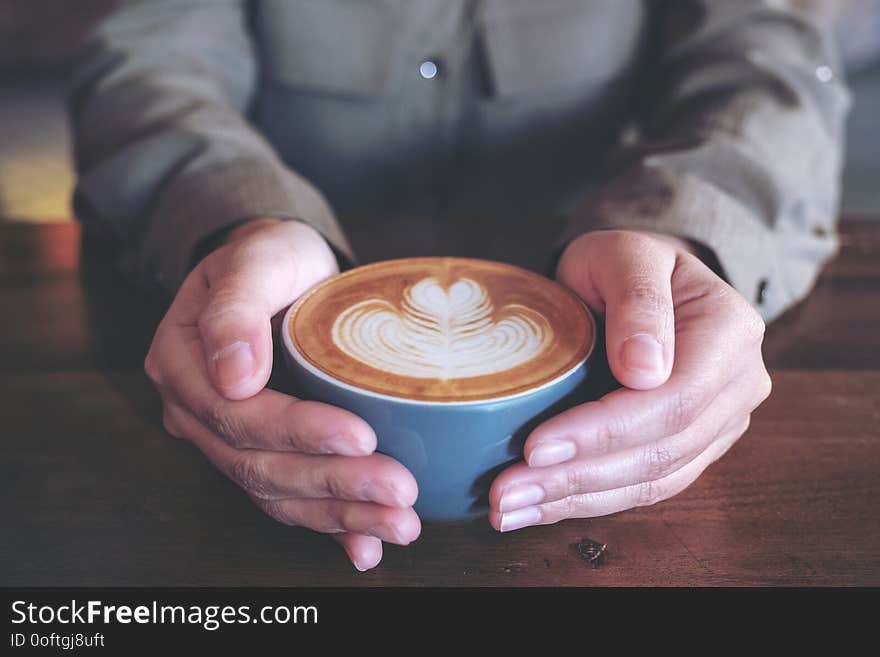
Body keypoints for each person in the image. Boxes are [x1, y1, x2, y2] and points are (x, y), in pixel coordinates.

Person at [68, 0, 849, 571]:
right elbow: (147, 61)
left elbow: (765, 59)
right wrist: (233, 220)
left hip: (583, 310)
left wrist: (683, 237)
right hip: (286, 322)